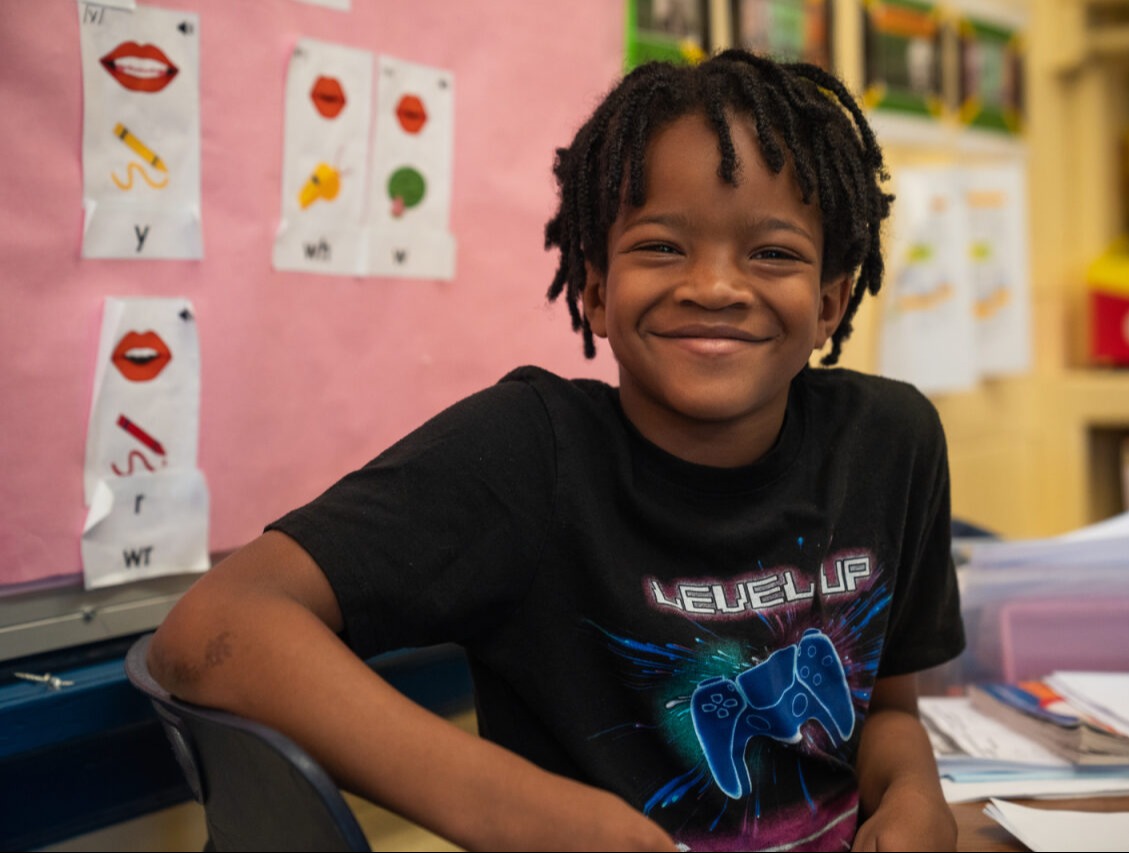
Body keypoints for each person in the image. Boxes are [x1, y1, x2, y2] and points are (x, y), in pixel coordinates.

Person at [149, 49, 964, 852]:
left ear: (829, 302)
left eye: (774, 252)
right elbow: (211, 628)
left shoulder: (891, 444)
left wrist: (913, 788)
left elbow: (887, 709)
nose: (715, 286)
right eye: (661, 246)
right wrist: (518, 812)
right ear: (596, 290)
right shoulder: (528, 453)